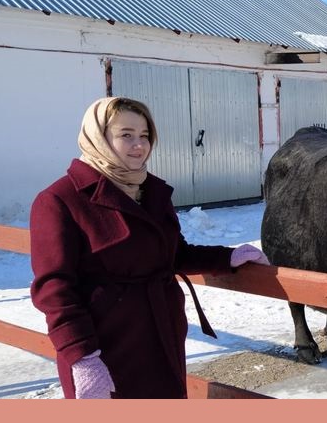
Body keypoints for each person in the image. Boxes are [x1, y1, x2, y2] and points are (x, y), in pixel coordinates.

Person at [29, 97, 268, 399]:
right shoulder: (60, 199)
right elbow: (54, 290)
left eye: (145, 136)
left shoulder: (151, 191)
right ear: (98, 137)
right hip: (105, 347)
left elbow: (173, 254)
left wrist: (227, 257)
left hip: (161, 335)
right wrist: (83, 358)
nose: (138, 145)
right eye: (125, 135)